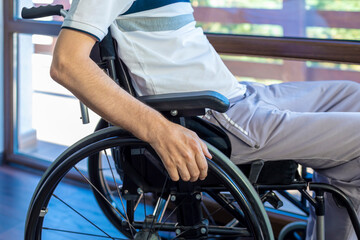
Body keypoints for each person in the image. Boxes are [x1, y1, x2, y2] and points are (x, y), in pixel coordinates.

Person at [50, 0, 360, 239]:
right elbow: (67, 63)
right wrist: (160, 130)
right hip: (214, 115)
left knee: (351, 95)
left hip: (240, 95)